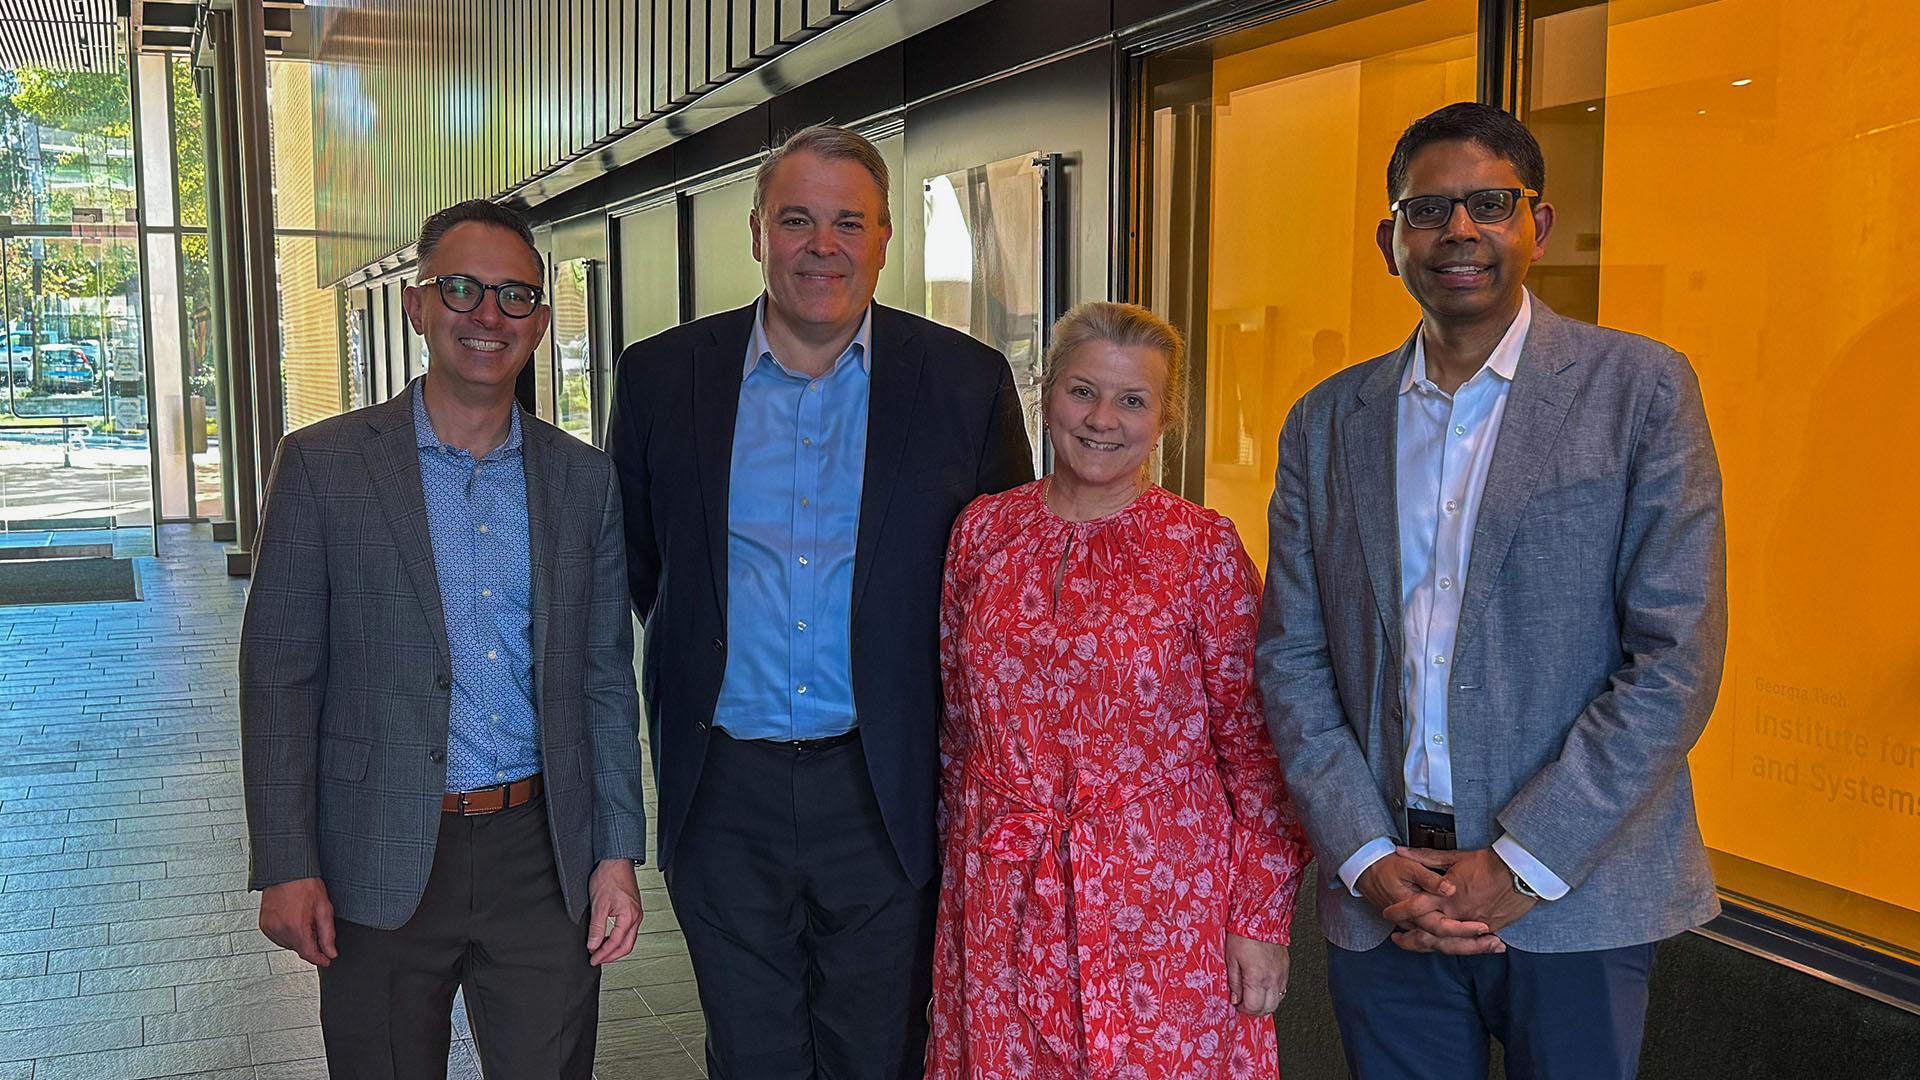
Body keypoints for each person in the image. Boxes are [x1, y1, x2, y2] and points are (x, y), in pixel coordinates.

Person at [1256, 101, 1728, 1079]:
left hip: (1576, 894)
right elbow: (1294, 657)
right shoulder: (1322, 423)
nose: (1459, 230)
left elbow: (1673, 661)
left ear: (1536, 226)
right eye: (1428, 211)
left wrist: (1519, 864)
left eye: (1489, 203)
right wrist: (1363, 854)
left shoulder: (1640, 391)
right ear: (1391, 241)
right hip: (1384, 899)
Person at [606, 123, 1034, 1079]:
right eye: (796, 219)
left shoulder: (965, 384)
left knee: (879, 1052)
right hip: (723, 789)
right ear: (756, 232)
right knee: (750, 1053)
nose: (822, 245)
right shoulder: (660, 377)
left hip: (885, 786)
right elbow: (645, 569)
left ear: (886, 238)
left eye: (849, 222)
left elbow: (1000, 582)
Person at [240, 199, 646, 1079]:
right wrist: (285, 860)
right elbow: (279, 675)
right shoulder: (323, 466)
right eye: (461, 289)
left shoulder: (584, 480)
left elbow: (606, 678)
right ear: (418, 305)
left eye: (513, 296)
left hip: (543, 857)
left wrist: (616, 852)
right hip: (374, 852)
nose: (486, 316)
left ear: (540, 322)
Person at [929, 301, 1311, 1079]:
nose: (1103, 419)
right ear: (1046, 393)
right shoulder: (982, 533)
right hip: (1002, 894)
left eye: (1132, 400)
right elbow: (956, 732)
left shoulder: (1201, 549)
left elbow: (1256, 750)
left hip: (1164, 909)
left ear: (1164, 419)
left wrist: (1261, 919)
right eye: (1083, 391)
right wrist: (955, 886)